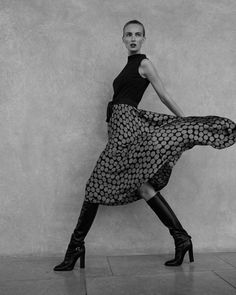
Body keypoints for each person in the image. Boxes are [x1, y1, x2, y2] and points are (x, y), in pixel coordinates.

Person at [54, 20, 236, 271]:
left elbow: (163, 94)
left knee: (95, 185)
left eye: (137, 35)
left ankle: (75, 248)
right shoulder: (126, 66)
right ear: (122, 38)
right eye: (128, 34)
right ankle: (182, 239)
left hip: (129, 128)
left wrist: (186, 123)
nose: (133, 38)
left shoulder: (144, 63)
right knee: (143, 187)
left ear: (143, 39)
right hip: (119, 130)